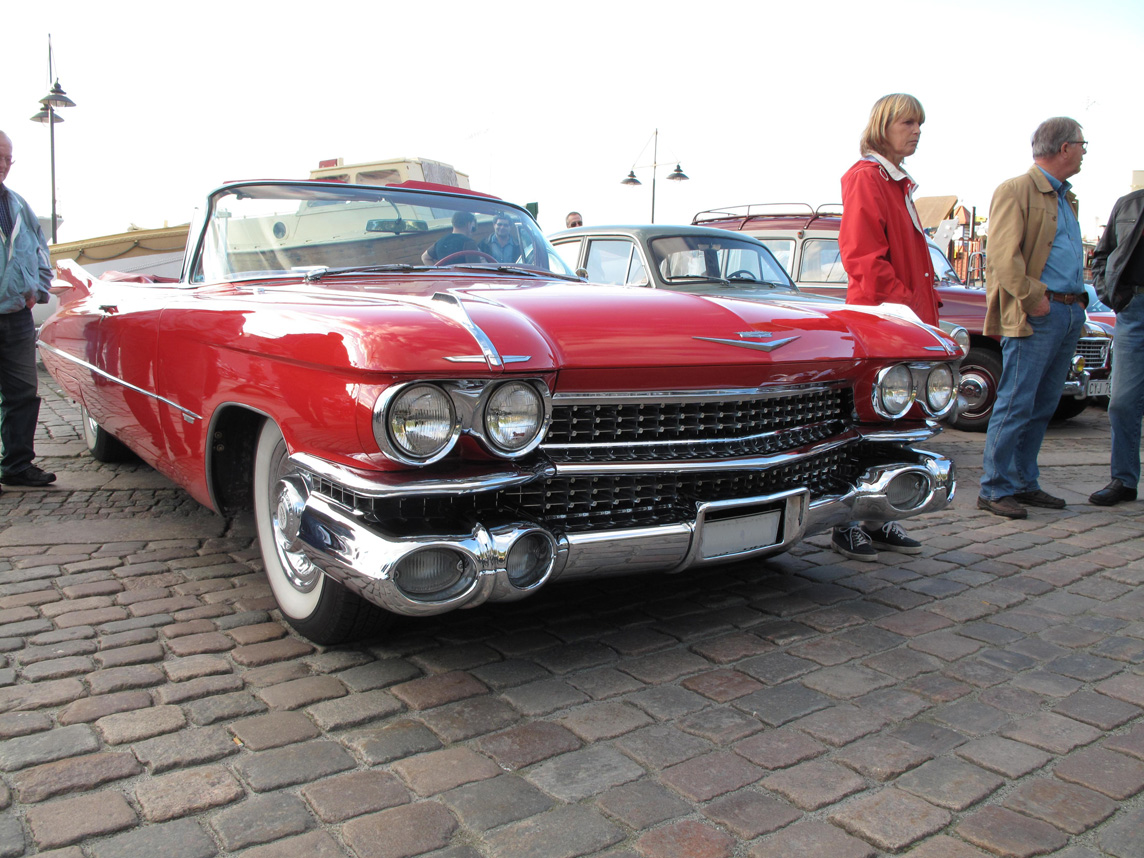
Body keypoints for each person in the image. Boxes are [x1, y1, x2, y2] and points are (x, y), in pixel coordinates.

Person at [831, 93, 934, 561]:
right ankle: (846, 523)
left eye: (920, 123)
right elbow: (864, 259)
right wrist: (909, 309)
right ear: (884, 125)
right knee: (870, 423)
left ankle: (878, 517)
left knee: (898, 422)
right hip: (886, 321)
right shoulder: (866, 177)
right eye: (908, 122)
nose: (916, 130)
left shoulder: (895, 183)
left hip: (902, 320)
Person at [977, 118, 1088, 519]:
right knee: (1016, 402)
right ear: (1063, 148)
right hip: (1038, 312)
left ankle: (1023, 482)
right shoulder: (1016, 190)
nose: (1084, 153)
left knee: (1042, 404)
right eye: (1081, 145)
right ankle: (994, 487)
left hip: (1067, 311)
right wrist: (1032, 298)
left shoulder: (1065, 198)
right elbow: (1003, 260)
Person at [0, 130, 56, 490]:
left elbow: (39, 251)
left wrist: (39, 289)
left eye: (7, 158)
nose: (3, 165)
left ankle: (17, 465)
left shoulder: (17, 203)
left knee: (23, 392)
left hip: (17, 316)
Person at [1089, 188, 1144, 506]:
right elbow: (1102, 255)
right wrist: (1109, 293)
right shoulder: (1129, 204)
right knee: (1122, 402)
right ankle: (1124, 480)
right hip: (1133, 310)